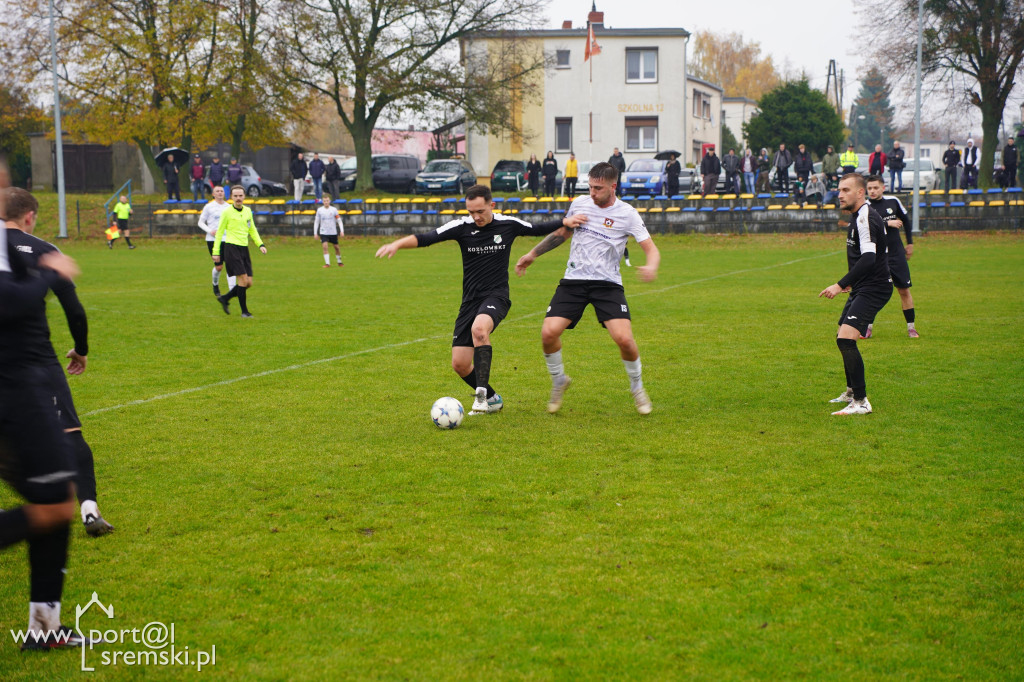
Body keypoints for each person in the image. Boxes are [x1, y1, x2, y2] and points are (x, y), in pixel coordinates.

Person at [375, 184, 584, 415]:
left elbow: (537, 228)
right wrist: (397, 244)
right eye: (471, 212)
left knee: (479, 329)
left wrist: (565, 221)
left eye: (480, 211)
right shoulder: (461, 227)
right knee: (460, 364)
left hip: (496, 296)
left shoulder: (507, 224)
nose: (476, 217)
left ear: (491, 205)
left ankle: (481, 398)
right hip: (470, 301)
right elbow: (427, 238)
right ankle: (493, 399)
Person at [0, 175, 101, 650]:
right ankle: (44, 627)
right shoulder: (38, 250)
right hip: (18, 387)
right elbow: (11, 303)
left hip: (20, 385)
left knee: (56, 500)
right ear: (30, 216)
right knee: (56, 505)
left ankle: (44, 628)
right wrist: (51, 272)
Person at [5, 188, 115, 537]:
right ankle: (89, 510)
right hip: (35, 359)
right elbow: (74, 310)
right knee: (69, 434)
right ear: (29, 216)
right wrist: (81, 348)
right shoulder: (44, 251)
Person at [515, 162, 660, 415]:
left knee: (624, 339)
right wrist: (532, 254)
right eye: (590, 187)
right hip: (574, 281)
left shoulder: (627, 214)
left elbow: (651, 249)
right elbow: (562, 234)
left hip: (607, 285)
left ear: (613, 186)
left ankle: (637, 387)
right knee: (548, 333)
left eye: (598, 188)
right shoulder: (580, 204)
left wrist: (651, 266)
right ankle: (559, 380)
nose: (592, 193)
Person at [818, 173, 892, 416]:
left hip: (874, 288)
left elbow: (869, 258)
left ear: (860, 192)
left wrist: (840, 284)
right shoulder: (858, 215)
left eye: (846, 190)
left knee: (846, 340)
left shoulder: (865, 217)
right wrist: (852, 282)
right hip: (863, 285)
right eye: (839, 190)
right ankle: (851, 392)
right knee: (842, 336)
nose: (840, 195)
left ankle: (861, 402)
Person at [866, 175, 919, 338]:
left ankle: (911, 328)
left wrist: (910, 243)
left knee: (904, 290)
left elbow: (906, 222)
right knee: (873, 291)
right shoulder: (865, 206)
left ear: (883, 188)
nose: (872, 191)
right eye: (869, 188)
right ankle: (867, 328)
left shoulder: (893, 201)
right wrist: (887, 223)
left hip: (896, 254)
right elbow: (867, 226)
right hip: (877, 256)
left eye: (875, 188)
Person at [213, 186, 267, 318]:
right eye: (235, 196)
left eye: (240, 196)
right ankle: (245, 312)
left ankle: (225, 298)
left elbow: (252, 229)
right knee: (243, 279)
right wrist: (216, 252)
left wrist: (260, 244)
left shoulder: (248, 211)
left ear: (244, 196)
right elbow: (219, 233)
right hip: (231, 248)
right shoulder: (227, 212)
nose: (238, 198)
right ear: (231, 197)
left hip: (244, 249)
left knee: (248, 283)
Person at [197, 185, 235, 297]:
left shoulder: (229, 207)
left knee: (230, 265)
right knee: (219, 267)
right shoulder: (208, 207)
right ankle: (215, 284)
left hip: (227, 239)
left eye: (221, 191)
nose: (220, 192)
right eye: (217, 191)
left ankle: (232, 291)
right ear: (213, 194)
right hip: (212, 240)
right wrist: (210, 231)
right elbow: (200, 222)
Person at [313, 194, 344, 267]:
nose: (326, 202)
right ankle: (327, 263)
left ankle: (339, 261)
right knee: (325, 247)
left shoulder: (334, 210)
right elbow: (316, 222)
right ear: (323, 202)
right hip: (323, 232)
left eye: (327, 201)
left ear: (329, 201)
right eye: (324, 201)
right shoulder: (319, 210)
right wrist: (315, 233)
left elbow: (339, 221)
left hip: (333, 232)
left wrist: (342, 231)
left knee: (336, 247)